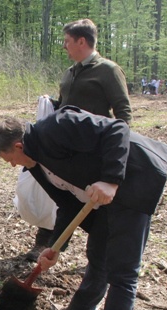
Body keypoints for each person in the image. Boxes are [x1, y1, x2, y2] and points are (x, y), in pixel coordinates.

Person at [0, 106, 167, 310]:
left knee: (123, 272)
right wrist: (55, 247)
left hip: (133, 180)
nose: (12, 165)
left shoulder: (56, 126)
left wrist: (111, 180)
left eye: (10, 159)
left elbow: (117, 128)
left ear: (19, 146)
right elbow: (67, 205)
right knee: (98, 254)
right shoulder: (36, 164)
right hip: (106, 196)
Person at [28, 18, 132, 263]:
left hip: (93, 150)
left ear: (82, 41)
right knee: (59, 196)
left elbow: (123, 114)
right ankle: (48, 245)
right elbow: (64, 107)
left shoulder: (108, 70)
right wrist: (49, 105)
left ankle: (103, 258)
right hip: (64, 151)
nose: (64, 47)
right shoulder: (70, 73)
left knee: (97, 207)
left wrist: (116, 159)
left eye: (67, 41)